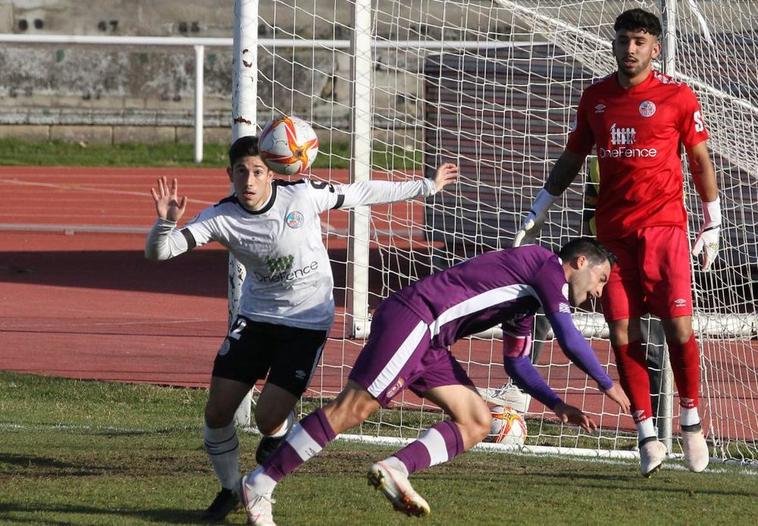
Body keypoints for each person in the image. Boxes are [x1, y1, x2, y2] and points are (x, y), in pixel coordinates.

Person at [145, 135, 458, 521]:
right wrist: (165, 223)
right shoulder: (220, 217)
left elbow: (360, 191)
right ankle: (230, 491)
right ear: (230, 174)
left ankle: (277, 436)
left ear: (272, 174)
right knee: (217, 411)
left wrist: (425, 185)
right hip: (256, 319)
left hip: (307, 322)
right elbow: (160, 252)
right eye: (241, 172)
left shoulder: (303, 195)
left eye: (258, 171)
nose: (249, 180)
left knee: (266, 420)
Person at [237, 238, 630, 525]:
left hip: (433, 338)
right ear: (579, 262)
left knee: (477, 421)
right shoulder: (544, 266)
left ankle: (395, 469)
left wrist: (556, 404)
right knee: (353, 409)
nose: (598, 292)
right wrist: (605, 382)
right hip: (417, 319)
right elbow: (568, 335)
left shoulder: (529, 298)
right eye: (601, 279)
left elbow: (517, 363)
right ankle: (261, 482)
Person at [513, 8, 719, 476]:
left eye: (640, 41)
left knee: (679, 328)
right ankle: (645, 431)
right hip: (612, 237)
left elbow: (701, 161)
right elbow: (572, 157)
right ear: (614, 43)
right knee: (622, 331)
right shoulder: (596, 99)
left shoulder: (677, 97)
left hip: (665, 230)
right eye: (624, 39)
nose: (631, 49)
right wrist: (537, 209)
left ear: (655, 48)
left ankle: (691, 422)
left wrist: (713, 223)